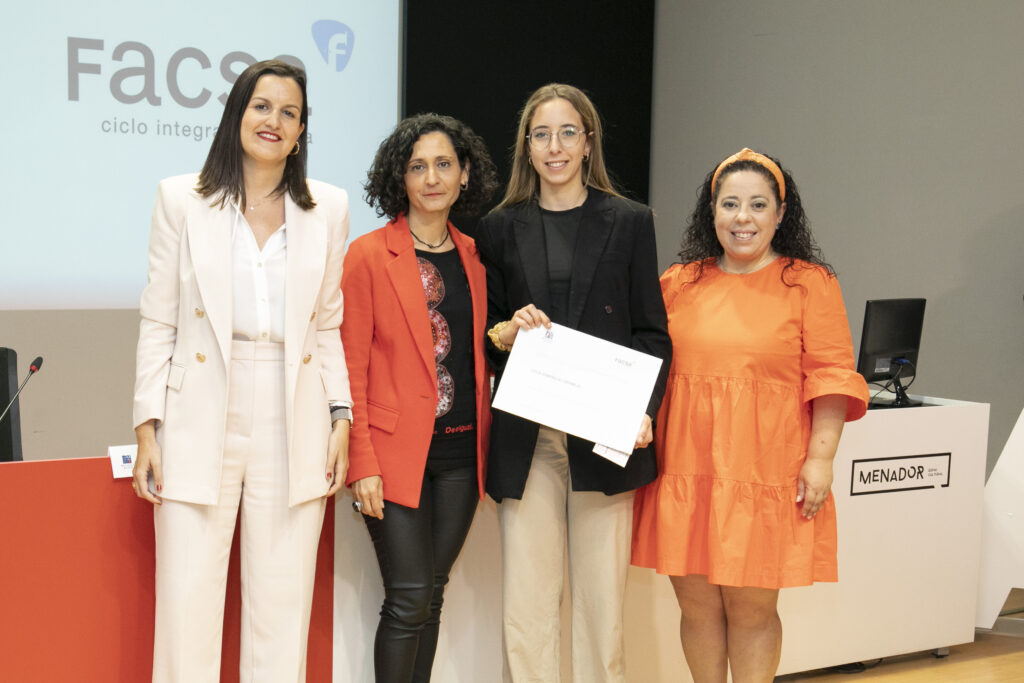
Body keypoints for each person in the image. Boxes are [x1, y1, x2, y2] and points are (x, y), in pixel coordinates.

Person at [131, 59, 352, 682]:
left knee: (282, 608)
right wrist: (147, 427)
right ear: (237, 114)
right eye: (262, 106)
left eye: (289, 112)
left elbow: (326, 325)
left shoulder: (329, 208)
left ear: (302, 131)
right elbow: (159, 320)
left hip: (294, 410)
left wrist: (341, 414)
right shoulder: (181, 198)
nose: (274, 120)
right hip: (198, 407)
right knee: (187, 604)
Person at [631, 148, 870, 683]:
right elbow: (645, 361)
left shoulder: (809, 283)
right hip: (685, 470)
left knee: (752, 612)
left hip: (765, 473)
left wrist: (820, 460)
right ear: (712, 211)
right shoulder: (679, 282)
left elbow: (831, 376)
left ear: (780, 214)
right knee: (697, 608)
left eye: (758, 205)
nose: (743, 217)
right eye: (730, 204)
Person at [477, 83, 672, 683]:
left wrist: (643, 410)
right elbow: (487, 330)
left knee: (601, 609)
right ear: (526, 146)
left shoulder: (631, 222)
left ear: (588, 142)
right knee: (527, 610)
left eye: (567, 133)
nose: (554, 147)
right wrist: (507, 331)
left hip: (604, 435)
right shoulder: (498, 227)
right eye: (541, 135)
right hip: (527, 438)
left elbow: (652, 332)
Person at [342, 113, 497, 682]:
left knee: (431, 594)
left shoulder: (477, 256)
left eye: (444, 164)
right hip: (392, 456)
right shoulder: (367, 255)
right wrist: (361, 461)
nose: (431, 178)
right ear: (399, 178)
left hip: (461, 457)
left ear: (464, 174)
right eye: (417, 167)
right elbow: (349, 368)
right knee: (408, 597)